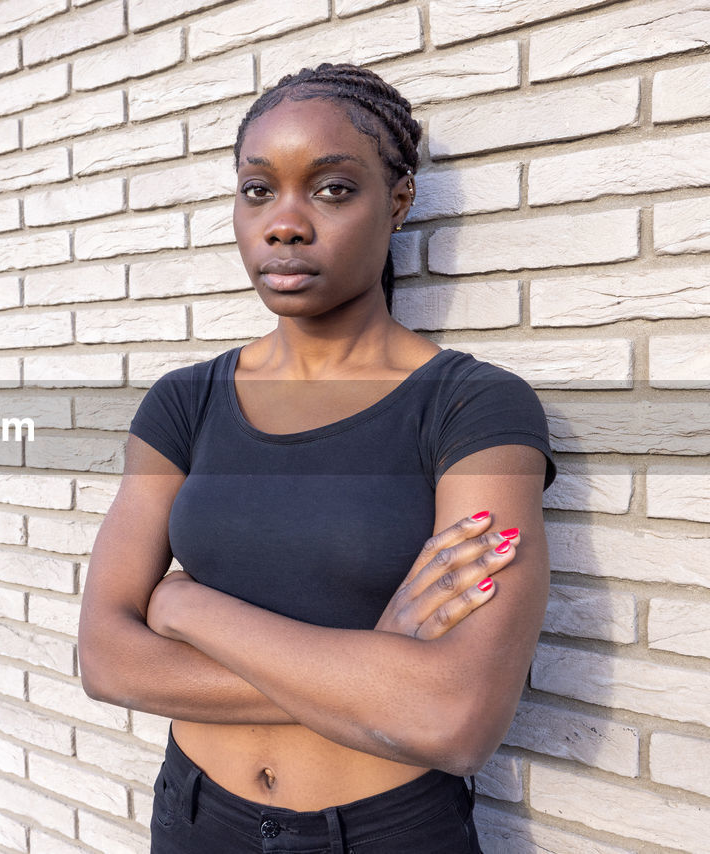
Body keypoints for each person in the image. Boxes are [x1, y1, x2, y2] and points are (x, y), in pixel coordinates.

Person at [78, 63, 556, 854]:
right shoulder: (184, 402)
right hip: (196, 819)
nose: (285, 223)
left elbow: (453, 719)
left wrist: (185, 609)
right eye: (257, 190)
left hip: (385, 833)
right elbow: (104, 658)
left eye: (332, 189)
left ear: (398, 201)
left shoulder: (473, 407)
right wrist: (374, 677)